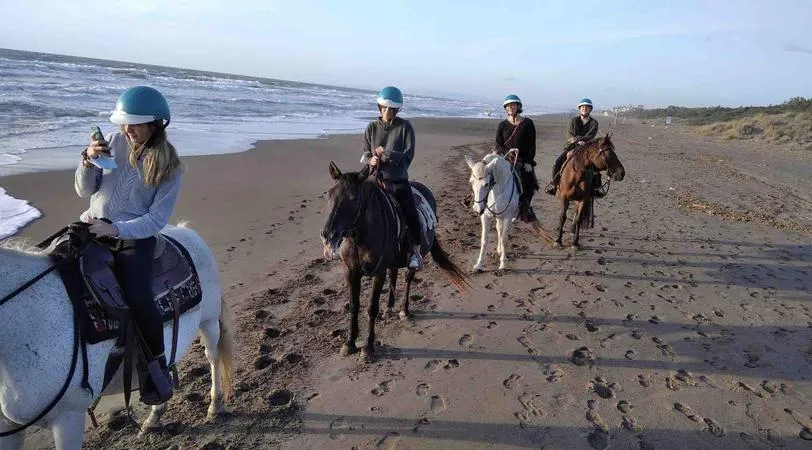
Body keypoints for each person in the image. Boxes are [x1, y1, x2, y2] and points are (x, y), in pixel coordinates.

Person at [75, 85, 183, 405]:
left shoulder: (170, 166)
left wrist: (116, 228)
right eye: (125, 122)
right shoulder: (112, 141)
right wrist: (88, 160)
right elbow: (84, 191)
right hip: (92, 225)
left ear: (155, 124)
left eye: (135, 124)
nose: (128, 129)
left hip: (135, 239)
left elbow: (156, 220)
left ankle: (155, 368)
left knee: (138, 296)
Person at [360, 86, 423, 270]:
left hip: (397, 180)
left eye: (392, 109)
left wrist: (387, 154)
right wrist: (371, 159)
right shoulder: (371, 127)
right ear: (379, 107)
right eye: (384, 108)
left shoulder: (405, 127)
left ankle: (415, 252)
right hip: (374, 179)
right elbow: (365, 154)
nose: (387, 112)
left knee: (411, 212)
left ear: (397, 110)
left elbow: (408, 155)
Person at [494, 94, 538, 222]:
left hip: (523, 159)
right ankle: (480, 200)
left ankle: (526, 207)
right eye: (508, 106)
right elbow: (498, 143)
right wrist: (508, 151)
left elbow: (532, 145)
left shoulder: (528, 123)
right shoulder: (502, 124)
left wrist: (529, 161)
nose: (510, 108)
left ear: (518, 107)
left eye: (512, 105)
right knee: (487, 176)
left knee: (529, 182)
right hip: (505, 157)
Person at [544, 98, 600, 195]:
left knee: (596, 166)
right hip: (572, 147)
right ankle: (554, 184)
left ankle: (596, 188)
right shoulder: (573, 121)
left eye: (587, 107)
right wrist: (578, 140)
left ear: (590, 109)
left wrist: (581, 140)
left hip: (587, 149)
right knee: (557, 162)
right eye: (582, 107)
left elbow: (591, 136)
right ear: (579, 109)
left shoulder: (594, 123)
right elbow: (570, 135)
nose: (584, 109)